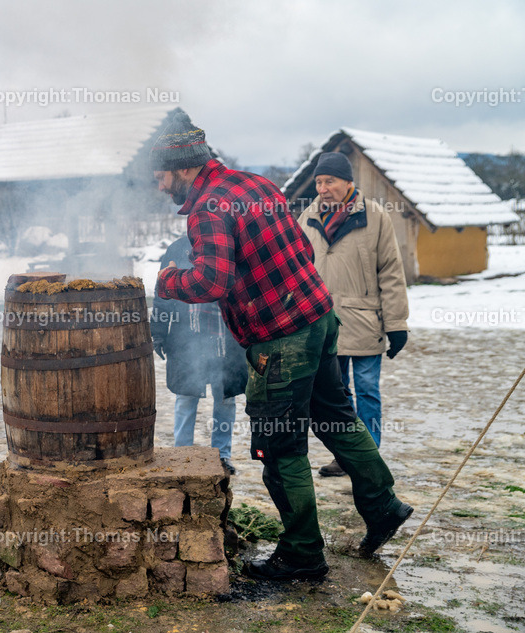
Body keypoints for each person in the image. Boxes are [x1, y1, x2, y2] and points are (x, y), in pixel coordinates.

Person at [151, 112, 412, 580]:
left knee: (279, 446)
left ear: (181, 166)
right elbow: (303, 252)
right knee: (336, 418)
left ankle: (302, 554)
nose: (158, 185)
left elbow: (211, 280)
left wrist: (168, 280)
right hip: (320, 318)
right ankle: (384, 505)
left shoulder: (209, 209)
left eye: (160, 175)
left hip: (282, 341)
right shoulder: (259, 185)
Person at [297, 153, 410, 476]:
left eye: (329, 181)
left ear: (348, 183)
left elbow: (390, 272)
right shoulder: (307, 218)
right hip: (322, 325)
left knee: (367, 390)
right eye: (319, 181)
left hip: (364, 321)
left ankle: (368, 456)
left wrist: (397, 324)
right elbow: (297, 271)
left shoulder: (375, 218)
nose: (323, 188)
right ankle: (345, 455)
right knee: (336, 396)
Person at [151, 234, 247, 475]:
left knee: (225, 397)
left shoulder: (232, 243)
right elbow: (162, 291)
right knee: (185, 396)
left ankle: (222, 455)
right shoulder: (177, 248)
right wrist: (159, 332)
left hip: (227, 333)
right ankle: (181, 454)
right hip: (187, 334)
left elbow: (248, 289)